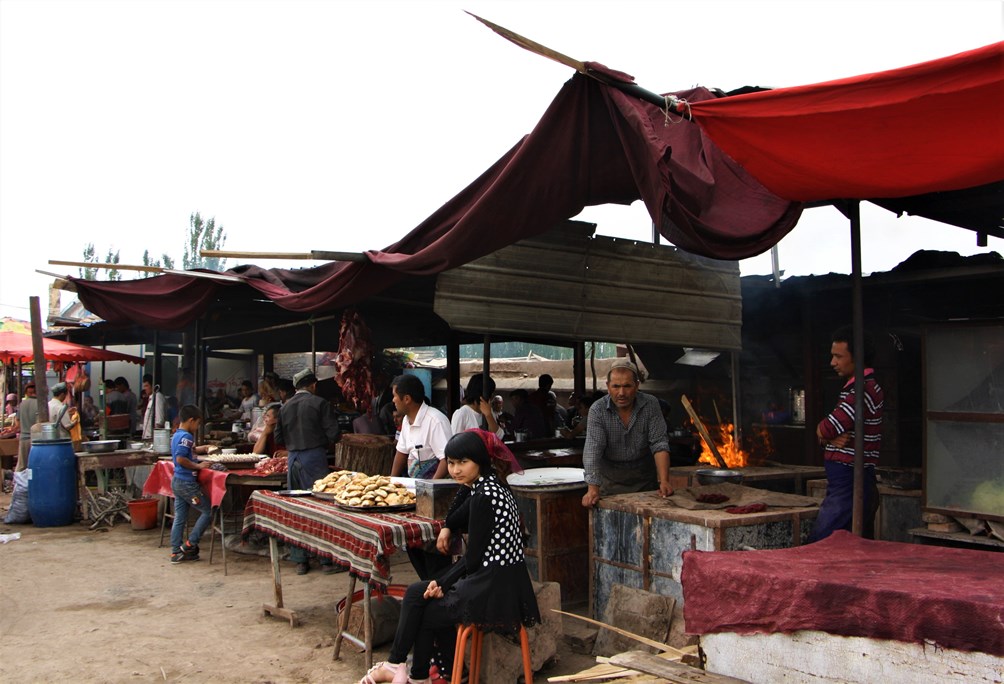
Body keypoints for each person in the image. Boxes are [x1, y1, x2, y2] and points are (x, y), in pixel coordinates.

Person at [359, 430, 541, 684]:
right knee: (415, 593)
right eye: (452, 463)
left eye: (463, 462)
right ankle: (403, 668)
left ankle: (410, 672)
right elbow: (458, 512)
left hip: (493, 589)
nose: (455, 470)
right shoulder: (492, 485)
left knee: (422, 607)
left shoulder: (483, 497)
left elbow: (474, 559)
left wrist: (443, 583)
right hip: (504, 580)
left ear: (479, 460)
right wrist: (446, 531)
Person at [808, 327, 884, 542]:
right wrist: (827, 436)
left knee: (822, 540)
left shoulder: (860, 390)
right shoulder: (857, 388)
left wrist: (823, 433)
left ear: (857, 358)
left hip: (849, 478)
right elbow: (830, 432)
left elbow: (827, 428)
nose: (833, 362)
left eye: (839, 356)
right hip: (849, 478)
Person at [274, 368, 341, 575]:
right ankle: (325, 561)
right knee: (320, 507)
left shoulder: (285, 407)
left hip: (293, 457)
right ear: (313, 385)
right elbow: (335, 433)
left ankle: (300, 560)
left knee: (298, 508)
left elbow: (278, 438)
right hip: (314, 459)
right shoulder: (320, 403)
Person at [581, 359, 672, 508]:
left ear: (636, 386)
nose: (621, 393)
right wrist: (592, 489)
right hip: (609, 484)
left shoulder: (651, 404)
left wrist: (664, 480)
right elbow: (593, 450)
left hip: (645, 483)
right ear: (608, 387)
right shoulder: (597, 410)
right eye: (616, 386)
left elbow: (659, 443)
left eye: (627, 386)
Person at [169, 404, 216, 564]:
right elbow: (181, 459)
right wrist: (198, 466)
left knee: (180, 517)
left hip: (177, 481)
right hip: (187, 483)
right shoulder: (186, 437)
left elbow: (188, 451)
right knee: (208, 511)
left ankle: (176, 552)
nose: (197, 427)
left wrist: (203, 448)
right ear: (191, 421)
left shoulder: (177, 435)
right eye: (197, 423)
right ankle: (190, 544)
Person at [389, 374, 453, 480]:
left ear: (407, 399)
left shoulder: (436, 421)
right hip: (415, 485)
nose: (393, 400)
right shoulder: (406, 420)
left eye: (394, 396)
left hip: (435, 488)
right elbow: (401, 452)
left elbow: (446, 459)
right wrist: (392, 481)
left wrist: (430, 488)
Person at [450, 374, 503, 439]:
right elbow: (454, 443)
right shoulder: (462, 413)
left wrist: (489, 415)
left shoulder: (488, 411)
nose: (492, 397)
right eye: (491, 393)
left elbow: (498, 436)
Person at [15, 383, 38, 471]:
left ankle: (19, 483)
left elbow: (17, 422)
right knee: (34, 465)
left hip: (24, 438)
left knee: (21, 465)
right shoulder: (40, 405)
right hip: (36, 440)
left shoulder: (22, 404)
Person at [141, 375, 167, 440]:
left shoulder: (158, 397)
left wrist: (156, 438)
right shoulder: (151, 398)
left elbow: (159, 421)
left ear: (153, 386)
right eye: (144, 386)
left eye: (146, 386)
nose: (144, 388)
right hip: (147, 437)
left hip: (152, 438)